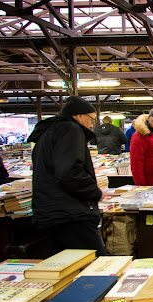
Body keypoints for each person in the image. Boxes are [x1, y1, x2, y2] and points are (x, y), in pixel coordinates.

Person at [27, 96, 107, 256]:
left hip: (52, 212)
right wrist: (95, 192)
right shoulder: (71, 130)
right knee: (96, 266)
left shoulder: (48, 132)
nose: (92, 124)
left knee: (67, 266)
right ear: (79, 116)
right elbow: (69, 173)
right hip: (71, 215)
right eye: (91, 119)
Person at [130, 107, 153, 186]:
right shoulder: (139, 136)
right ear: (148, 118)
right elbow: (136, 164)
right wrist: (141, 186)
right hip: (150, 182)